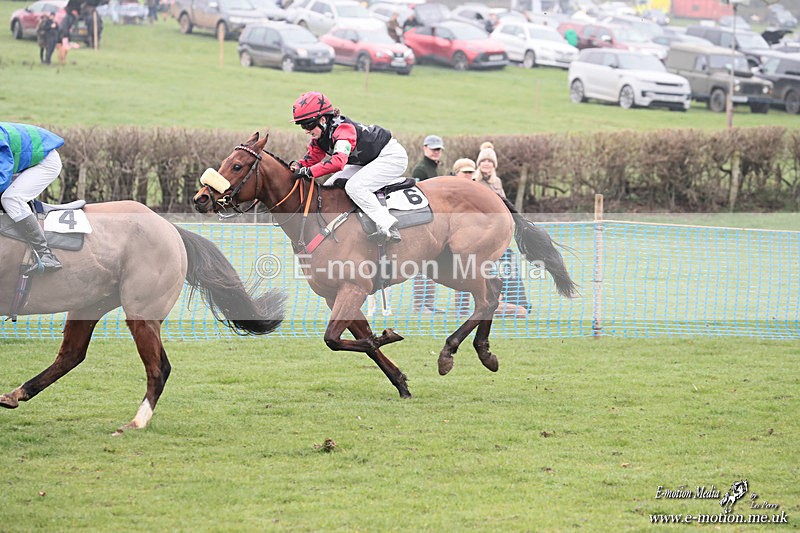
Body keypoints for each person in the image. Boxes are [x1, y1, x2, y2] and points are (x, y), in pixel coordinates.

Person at [289, 91, 407, 243]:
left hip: (391, 157)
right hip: (369, 160)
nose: (306, 130)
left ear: (323, 119)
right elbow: (312, 157)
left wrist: (309, 172)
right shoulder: (321, 135)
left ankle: (389, 226)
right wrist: (298, 166)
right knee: (329, 186)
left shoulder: (343, 130)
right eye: (302, 126)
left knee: (355, 187)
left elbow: (338, 162)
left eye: (307, 125)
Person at [0, 123, 65, 273]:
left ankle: (46, 254)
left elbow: (3, 176)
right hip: (26, 160)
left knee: (11, 199)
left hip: (45, 163)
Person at [474, 142, 528, 317]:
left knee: (508, 261)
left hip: (497, 232)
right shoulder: (474, 183)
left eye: (490, 161)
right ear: (479, 164)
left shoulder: (497, 182)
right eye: (484, 161)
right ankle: (489, 301)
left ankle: (517, 301)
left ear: (494, 165)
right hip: (480, 233)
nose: (486, 164)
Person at [410, 135, 445, 313]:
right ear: (425, 149)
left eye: (438, 149)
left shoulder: (433, 168)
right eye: (433, 149)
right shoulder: (421, 170)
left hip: (432, 220)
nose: (435, 152)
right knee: (421, 265)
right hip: (422, 220)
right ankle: (419, 305)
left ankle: (429, 304)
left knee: (430, 264)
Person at [451, 158, 477, 317]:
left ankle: (464, 308)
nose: (468, 176)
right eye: (465, 172)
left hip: (472, 238)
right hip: (454, 237)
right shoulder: (449, 190)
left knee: (470, 271)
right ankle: (460, 308)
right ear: (456, 173)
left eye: (471, 173)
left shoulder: (476, 191)